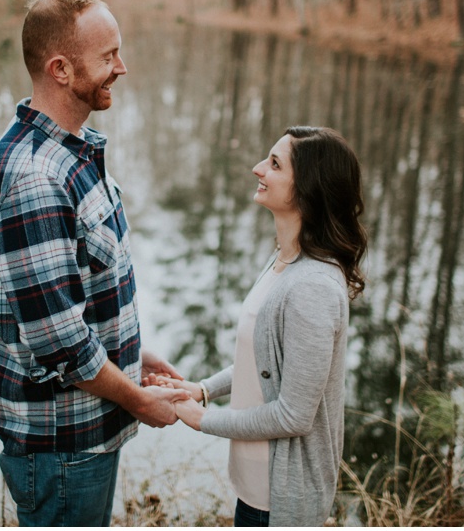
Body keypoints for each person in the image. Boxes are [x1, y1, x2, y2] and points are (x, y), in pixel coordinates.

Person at [0, 0, 187, 527]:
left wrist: (138, 356)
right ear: (61, 69)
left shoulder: (74, 150)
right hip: (61, 446)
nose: (122, 66)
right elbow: (62, 344)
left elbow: (83, 297)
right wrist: (138, 398)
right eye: (108, 56)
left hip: (84, 431)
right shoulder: (35, 181)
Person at [148, 126, 367, 527]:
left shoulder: (312, 285)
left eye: (275, 164)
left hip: (281, 498)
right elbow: (265, 360)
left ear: (308, 189)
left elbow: (293, 416)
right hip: (253, 484)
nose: (257, 168)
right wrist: (201, 390)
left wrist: (200, 419)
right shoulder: (285, 261)